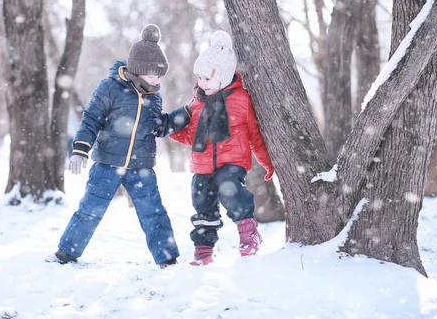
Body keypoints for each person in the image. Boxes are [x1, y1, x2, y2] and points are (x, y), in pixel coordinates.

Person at [51, 24, 191, 268]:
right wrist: (80, 149)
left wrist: (186, 113)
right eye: (152, 75)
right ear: (137, 71)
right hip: (107, 163)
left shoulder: (153, 96)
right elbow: (91, 119)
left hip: (141, 166)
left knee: (153, 212)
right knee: (90, 209)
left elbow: (158, 126)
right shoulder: (110, 88)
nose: (157, 80)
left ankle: (167, 257)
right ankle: (67, 253)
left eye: (160, 76)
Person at [170, 30, 274, 266]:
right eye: (200, 78)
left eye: (208, 79)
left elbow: (255, 135)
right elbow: (191, 136)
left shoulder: (241, 99)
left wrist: (266, 161)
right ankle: (204, 250)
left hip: (232, 162)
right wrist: (170, 130)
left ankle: (248, 234)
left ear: (224, 78)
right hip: (202, 165)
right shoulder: (197, 103)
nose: (201, 83)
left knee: (231, 191)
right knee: (202, 205)